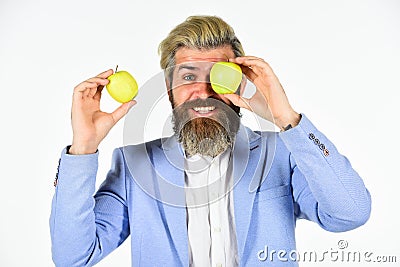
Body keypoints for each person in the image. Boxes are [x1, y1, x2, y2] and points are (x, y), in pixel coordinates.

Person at [50, 15, 371, 266]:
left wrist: (286, 118)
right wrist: (83, 147)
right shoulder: (134, 166)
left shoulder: (284, 154)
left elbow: (350, 213)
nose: (204, 92)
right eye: (188, 76)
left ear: (240, 82)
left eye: (219, 75)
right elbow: (74, 256)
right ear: (169, 85)